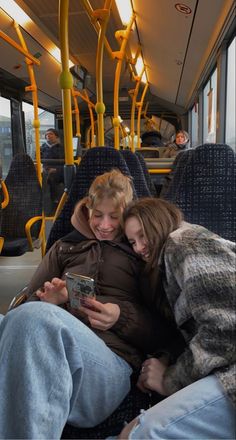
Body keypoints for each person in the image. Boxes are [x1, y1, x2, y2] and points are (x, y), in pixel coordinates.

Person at [0, 171, 172, 440]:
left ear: (126, 214)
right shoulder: (64, 247)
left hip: (111, 364)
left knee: (36, 319)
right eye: (97, 215)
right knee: (25, 318)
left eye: (114, 217)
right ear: (87, 210)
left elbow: (166, 331)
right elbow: (21, 311)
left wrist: (120, 318)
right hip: (50, 339)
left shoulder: (141, 252)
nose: (104, 225)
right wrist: (50, 302)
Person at [118, 197, 236, 439]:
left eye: (143, 235)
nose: (139, 248)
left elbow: (226, 329)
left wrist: (171, 380)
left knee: (142, 433)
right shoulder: (169, 260)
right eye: (132, 242)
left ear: (159, 223)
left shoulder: (184, 243)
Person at [40, 128, 65, 203]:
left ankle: (55, 200)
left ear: (56, 136)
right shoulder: (42, 148)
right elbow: (38, 160)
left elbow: (66, 162)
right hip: (45, 169)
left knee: (52, 177)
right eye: (46, 134)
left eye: (51, 134)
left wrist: (56, 169)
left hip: (58, 170)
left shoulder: (62, 148)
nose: (48, 136)